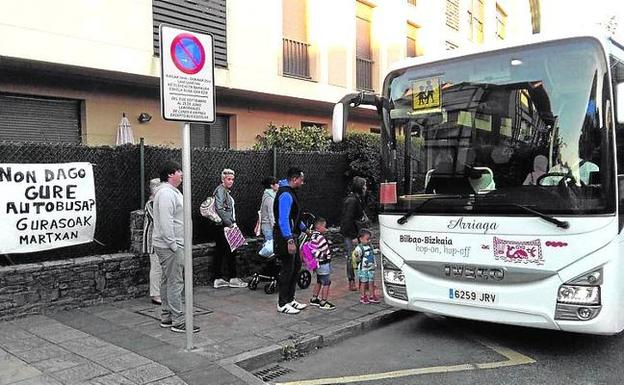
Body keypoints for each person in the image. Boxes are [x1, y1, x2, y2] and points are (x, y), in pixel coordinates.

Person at [152, 160, 199, 333]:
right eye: (179, 171)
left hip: (173, 244)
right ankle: (178, 321)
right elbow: (166, 222)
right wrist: (174, 245)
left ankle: (167, 316)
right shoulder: (166, 194)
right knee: (176, 282)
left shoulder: (172, 192)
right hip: (171, 246)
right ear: (170, 174)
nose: (182, 173)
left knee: (168, 280)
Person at [274, 167, 309, 314]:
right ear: (294, 179)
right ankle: (282, 303)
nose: (302, 182)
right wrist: (289, 240)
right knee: (287, 270)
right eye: (301, 180)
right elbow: (283, 219)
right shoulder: (285, 195)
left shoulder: (290, 193)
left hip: (292, 235)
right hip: (285, 237)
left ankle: (290, 299)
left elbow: (295, 216)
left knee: (295, 267)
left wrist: (305, 229)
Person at [212, 168, 248, 289]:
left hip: (223, 226)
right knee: (231, 251)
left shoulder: (224, 191)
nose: (231, 181)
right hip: (225, 226)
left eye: (232, 179)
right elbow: (219, 208)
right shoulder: (221, 191)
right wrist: (229, 223)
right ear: (223, 179)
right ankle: (232, 278)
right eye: (228, 179)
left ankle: (218, 278)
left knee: (221, 251)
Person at [339, 176, 368, 291]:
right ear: (360, 187)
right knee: (353, 257)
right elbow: (348, 219)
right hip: (351, 233)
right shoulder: (352, 200)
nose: (366, 188)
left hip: (357, 232)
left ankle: (362, 281)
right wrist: (353, 236)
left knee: (361, 256)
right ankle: (352, 281)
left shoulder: (358, 198)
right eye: (364, 185)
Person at [142, 178, 163, 305]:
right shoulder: (150, 203)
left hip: (161, 239)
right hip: (152, 240)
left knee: (162, 267)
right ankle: (155, 294)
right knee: (156, 267)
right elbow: (158, 220)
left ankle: (161, 291)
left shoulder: (159, 202)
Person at [309, 217, 335, 310]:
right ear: (319, 227)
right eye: (324, 226)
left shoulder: (313, 236)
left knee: (319, 281)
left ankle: (314, 298)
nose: (326, 228)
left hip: (317, 263)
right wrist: (328, 256)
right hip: (323, 263)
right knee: (326, 282)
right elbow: (325, 251)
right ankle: (324, 301)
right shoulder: (321, 238)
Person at [351, 228, 379, 304]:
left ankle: (372, 295)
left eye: (369, 239)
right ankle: (363, 296)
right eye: (367, 239)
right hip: (363, 269)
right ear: (361, 239)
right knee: (363, 282)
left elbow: (372, 253)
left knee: (371, 282)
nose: (369, 241)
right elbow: (356, 257)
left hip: (371, 268)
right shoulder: (359, 248)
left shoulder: (370, 246)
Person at [260, 176, 279, 241]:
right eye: (277, 183)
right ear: (271, 185)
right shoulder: (270, 198)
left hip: (267, 226)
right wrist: (274, 228)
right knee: (269, 248)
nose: (278, 185)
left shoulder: (268, 195)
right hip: (268, 226)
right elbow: (271, 214)